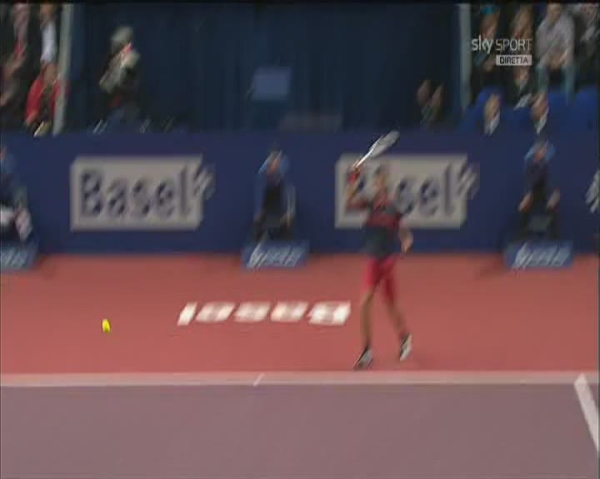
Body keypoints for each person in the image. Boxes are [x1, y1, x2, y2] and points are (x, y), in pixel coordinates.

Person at [346, 163, 413, 369]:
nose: (380, 183)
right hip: (373, 260)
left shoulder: (393, 208)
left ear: (387, 183)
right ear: (375, 183)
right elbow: (349, 204)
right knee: (364, 303)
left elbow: (403, 231)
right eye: (377, 180)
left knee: (390, 304)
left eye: (383, 180)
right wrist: (353, 179)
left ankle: (405, 337)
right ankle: (367, 350)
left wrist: (406, 241)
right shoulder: (369, 204)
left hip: (388, 261)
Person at [518, 139, 560, 239]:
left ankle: (554, 236)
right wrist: (528, 195)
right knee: (523, 207)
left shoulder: (544, 164)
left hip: (543, 190)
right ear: (537, 151)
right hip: (531, 190)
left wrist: (552, 194)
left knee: (553, 202)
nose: (544, 152)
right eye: (542, 150)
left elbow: (547, 181)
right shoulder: (528, 163)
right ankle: (521, 236)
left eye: (545, 151)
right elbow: (529, 182)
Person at [253, 146, 293, 242]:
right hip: (267, 207)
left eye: (278, 160)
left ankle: (286, 245)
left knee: (287, 221)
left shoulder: (283, 175)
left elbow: (286, 195)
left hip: (279, 206)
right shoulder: (262, 175)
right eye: (274, 160)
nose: (276, 162)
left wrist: (287, 212)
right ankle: (257, 244)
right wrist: (258, 211)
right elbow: (260, 195)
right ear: (270, 162)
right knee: (258, 220)